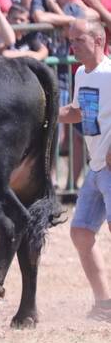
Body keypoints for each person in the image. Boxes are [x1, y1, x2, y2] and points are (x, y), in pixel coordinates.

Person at [58, 19, 111, 321]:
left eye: (78, 40)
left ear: (98, 40)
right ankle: (104, 304)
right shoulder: (81, 74)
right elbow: (78, 111)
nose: (72, 46)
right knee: (81, 233)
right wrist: (47, 113)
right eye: (71, 40)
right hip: (97, 165)